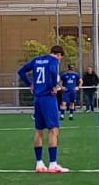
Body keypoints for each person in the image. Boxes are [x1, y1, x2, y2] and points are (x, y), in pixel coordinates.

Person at [17, 44, 70, 173]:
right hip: (48, 98)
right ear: (58, 55)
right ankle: (53, 164)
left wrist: (30, 84)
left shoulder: (36, 60)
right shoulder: (53, 61)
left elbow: (21, 71)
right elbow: (52, 71)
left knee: (39, 130)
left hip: (38, 98)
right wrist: (53, 86)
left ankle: (39, 163)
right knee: (53, 129)